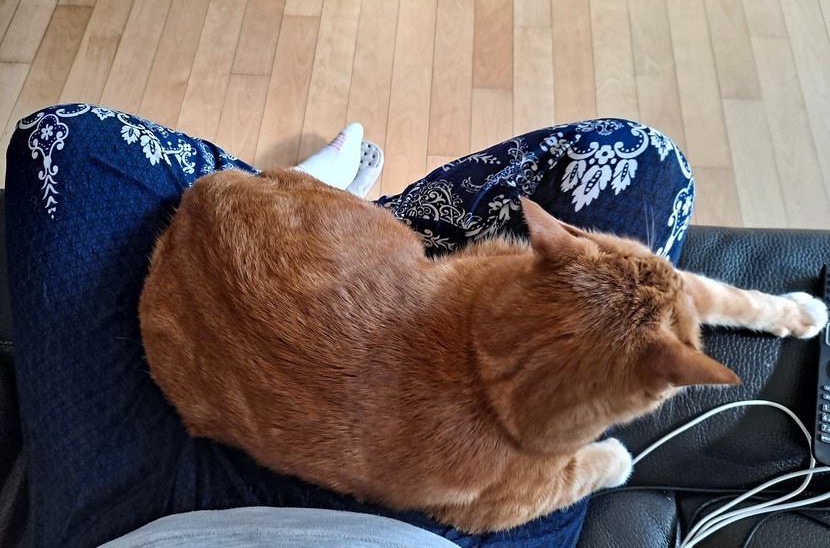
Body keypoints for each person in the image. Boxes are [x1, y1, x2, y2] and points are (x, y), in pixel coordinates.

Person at [4, 104, 694, 548]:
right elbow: (487, 506)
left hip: (146, 519)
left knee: (61, 141)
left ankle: (296, 203)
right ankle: (316, 213)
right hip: (433, 526)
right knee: (639, 158)